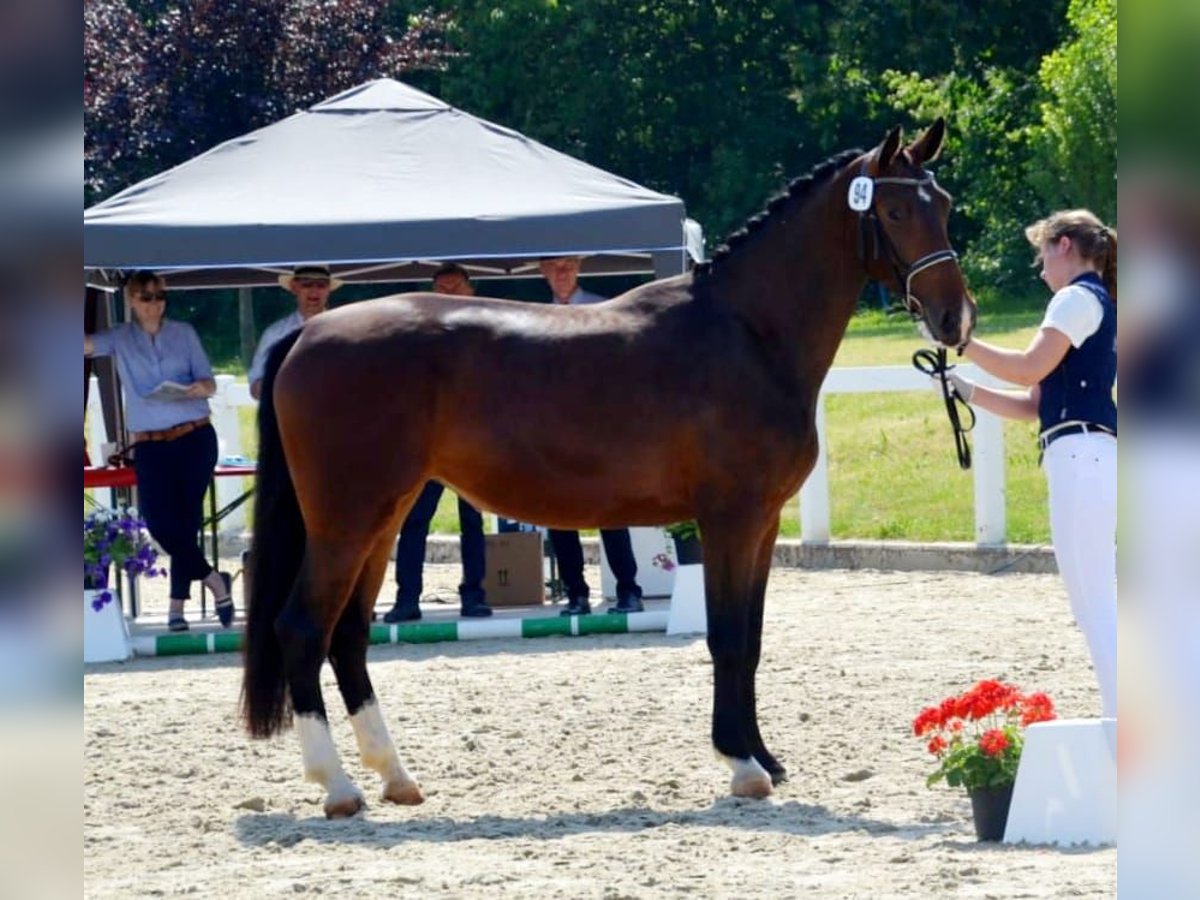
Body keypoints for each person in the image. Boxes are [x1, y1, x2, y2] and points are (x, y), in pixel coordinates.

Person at [939, 210, 1116, 717]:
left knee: (1096, 604)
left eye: (1041, 253)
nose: (1039, 267)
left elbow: (1028, 366)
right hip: (1079, 453)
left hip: (1082, 456)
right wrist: (965, 388)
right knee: (1090, 604)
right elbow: (1033, 403)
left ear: (1064, 246)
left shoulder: (1075, 299)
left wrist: (963, 342)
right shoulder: (1087, 303)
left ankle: (1125, 720)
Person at [84, 271, 232, 632]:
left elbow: (210, 381)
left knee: (186, 524)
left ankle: (176, 608)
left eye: (159, 296)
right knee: (161, 525)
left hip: (194, 436)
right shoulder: (120, 337)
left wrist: (198, 388)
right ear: (131, 301)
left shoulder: (184, 333)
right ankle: (215, 580)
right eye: (146, 297)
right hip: (150, 444)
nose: (154, 303)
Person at [382, 264, 492, 622]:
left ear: (470, 290)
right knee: (414, 522)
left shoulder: (487, 332)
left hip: (473, 442)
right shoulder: (420, 336)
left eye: (454, 288)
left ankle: (474, 594)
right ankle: (407, 598)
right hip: (428, 442)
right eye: (440, 289)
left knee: (472, 523)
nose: (447, 295)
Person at [538, 256, 645, 615]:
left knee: (611, 514)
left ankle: (628, 589)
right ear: (543, 272)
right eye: (554, 267)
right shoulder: (533, 319)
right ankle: (575, 593)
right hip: (554, 429)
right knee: (557, 514)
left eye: (567, 265)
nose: (562, 273)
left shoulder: (605, 309)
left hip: (601, 430)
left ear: (579, 268)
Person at [248, 264, 342, 400]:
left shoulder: (343, 330)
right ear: (294, 287)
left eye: (321, 285)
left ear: (328, 290)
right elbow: (255, 387)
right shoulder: (275, 334)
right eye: (307, 284)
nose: (314, 291)